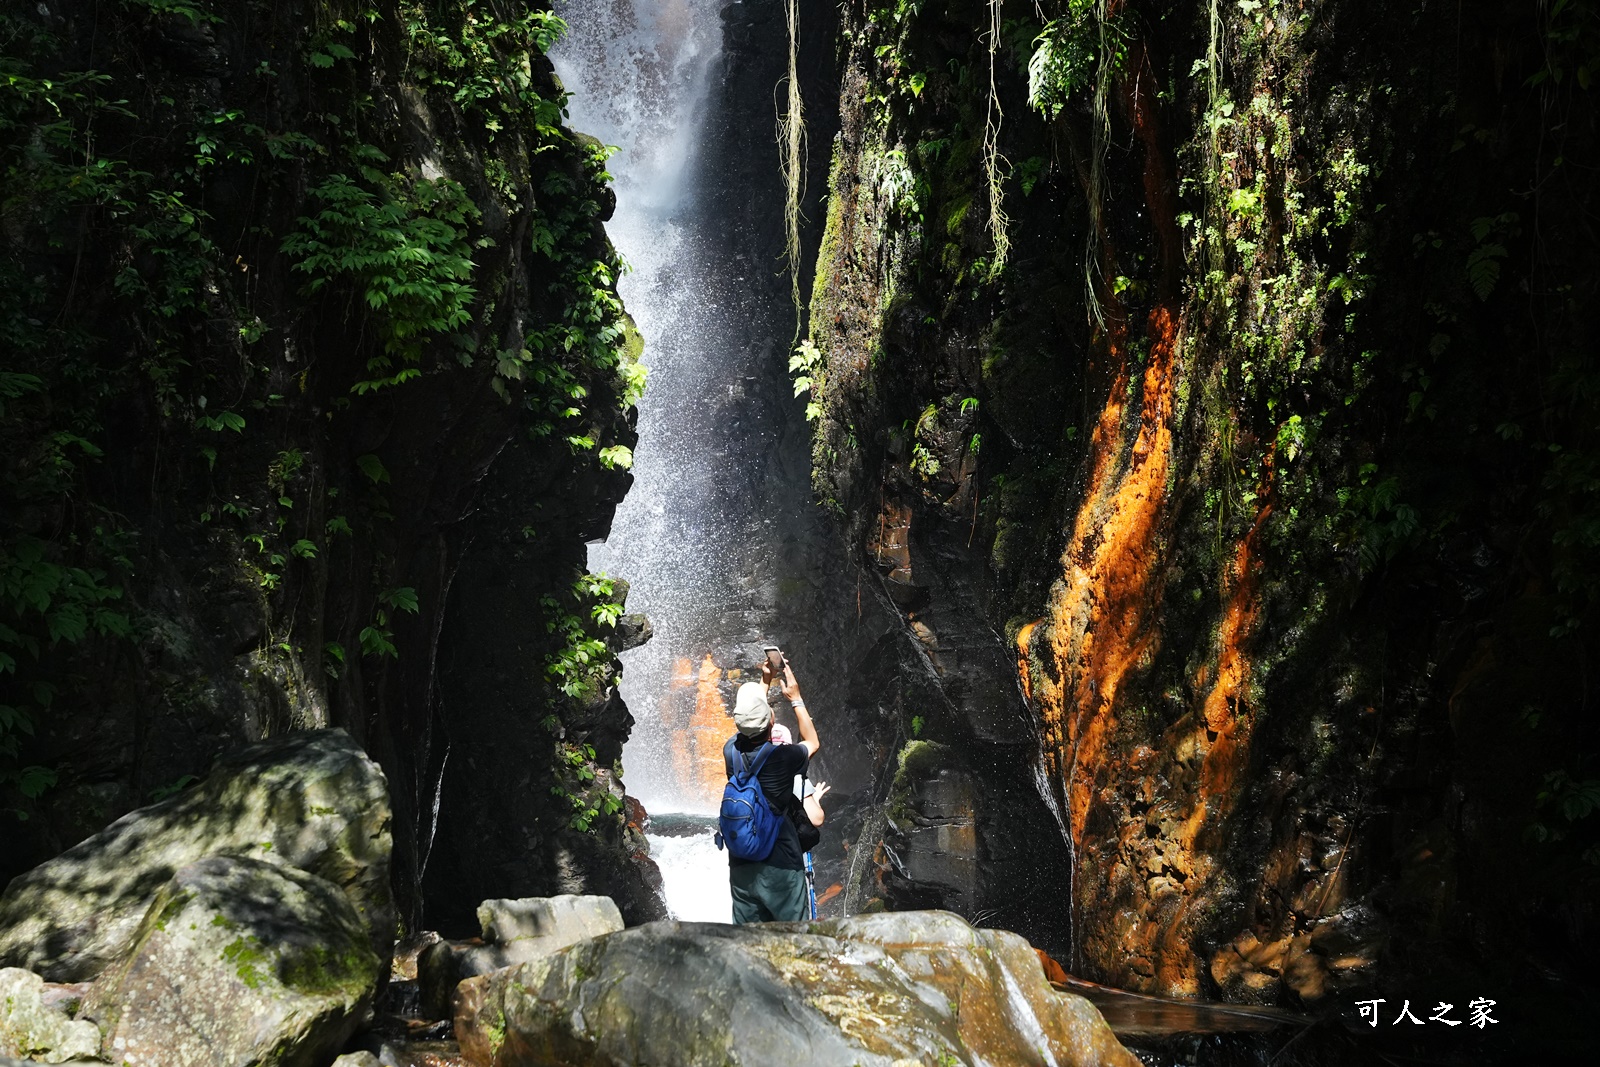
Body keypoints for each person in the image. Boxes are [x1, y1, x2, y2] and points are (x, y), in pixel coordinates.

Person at [725, 655, 819, 924]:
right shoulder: (783, 758)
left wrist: (764, 681)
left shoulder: (730, 751)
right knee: (793, 939)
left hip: (741, 863)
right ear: (770, 723)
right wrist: (796, 699)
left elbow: (749, 724)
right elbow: (812, 742)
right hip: (780, 864)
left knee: (749, 943)